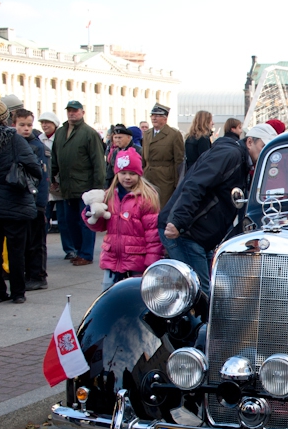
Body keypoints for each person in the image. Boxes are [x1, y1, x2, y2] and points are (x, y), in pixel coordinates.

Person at [159, 120, 276, 293]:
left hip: (200, 234)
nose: (265, 153)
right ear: (250, 142)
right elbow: (197, 183)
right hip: (188, 231)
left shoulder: (243, 162)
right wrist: (178, 221)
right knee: (201, 292)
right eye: (263, 147)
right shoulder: (231, 155)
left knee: (211, 290)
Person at [0, 100, 42, 303]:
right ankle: (18, 293)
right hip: (13, 199)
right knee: (15, 249)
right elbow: (33, 166)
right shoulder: (12, 138)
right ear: (4, 117)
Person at [83, 149, 164, 291]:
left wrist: (151, 263)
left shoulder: (146, 198)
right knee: (108, 295)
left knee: (135, 296)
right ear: (116, 173)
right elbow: (100, 226)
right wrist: (91, 214)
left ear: (139, 174)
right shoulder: (109, 196)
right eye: (123, 173)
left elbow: (153, 235)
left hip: (137, 261)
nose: (127, 177)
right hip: (112, 259)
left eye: (132, 173)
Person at [50, 100, 106, 266]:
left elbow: (98, 162)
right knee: (70, 221)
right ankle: (78, 250)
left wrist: (98, 187)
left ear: (82, 112)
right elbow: (55, 157)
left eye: (75, 111)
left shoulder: (89, 133)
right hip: (67, 186)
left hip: (85, 187)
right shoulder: (60, 132)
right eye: (69, 111)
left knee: (86, 221)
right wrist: (51, 177)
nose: (72, 113)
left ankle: (86, 254)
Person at [13, 109, 50, 291]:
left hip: (35, 201)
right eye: (22, 125)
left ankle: (38, 275)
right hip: (20, 201)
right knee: (25, 242)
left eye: (29, 125)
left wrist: (40, 204)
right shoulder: (14, 144)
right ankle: (29, 273)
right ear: (14, 125)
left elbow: (43, 177)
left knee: (36, 242)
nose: (26, 128)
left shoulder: (37, 147)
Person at [142, 103, 184, 208]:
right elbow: (143, 158)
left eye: (157, 116)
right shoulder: (147, 134)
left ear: (165, 118)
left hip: (165, 178)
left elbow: (179, 160)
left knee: (163, 206)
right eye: (152, 115)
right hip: (148, 176)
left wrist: (177, 183)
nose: (154, 118)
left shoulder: (173, 134)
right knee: (148, 205)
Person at [38, 111, 62, 234]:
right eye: (42, 123)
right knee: (44, 215)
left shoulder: (60, 138)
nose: (44, 125)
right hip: (44, 180)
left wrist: (55, 179)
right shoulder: (39, 139)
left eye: (47, 122)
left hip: (59, 181)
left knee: (63, 217)